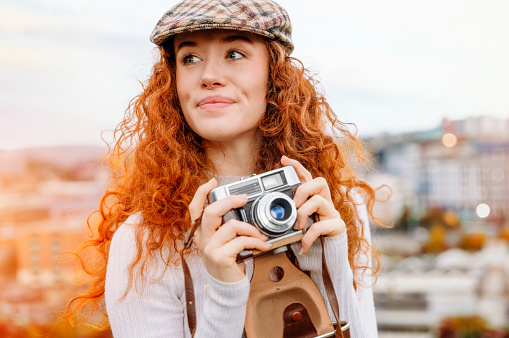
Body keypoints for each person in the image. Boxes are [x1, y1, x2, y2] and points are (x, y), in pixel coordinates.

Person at [66, 0, 382, 337]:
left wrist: (330, 267)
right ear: (173, 82)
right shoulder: (146, 242)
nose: (209, 76)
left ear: (274, 75)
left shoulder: (336, 206)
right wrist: (224, 291)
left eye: (234, 53)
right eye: (190, 58)